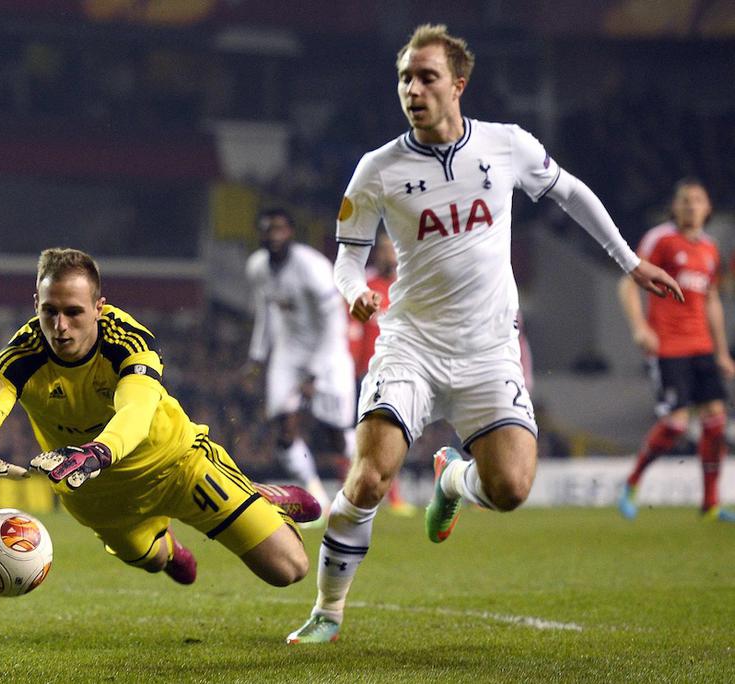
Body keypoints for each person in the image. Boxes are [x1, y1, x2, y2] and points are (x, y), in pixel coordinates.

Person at [286, 23, 683, 644]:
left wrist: (629, 262)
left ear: (458, 84)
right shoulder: (378, 170)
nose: (412, 89)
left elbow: (571, 194)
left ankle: (452, 479)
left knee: (510, 489)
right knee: (369, 477)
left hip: (488, 352)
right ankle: (328, 612)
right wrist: (354, 289)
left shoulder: (505, 146)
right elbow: (345, 255)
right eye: (404, 79)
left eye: (426, 77)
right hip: (411, 345)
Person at [0, 247, 321, 589]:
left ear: (98, 307)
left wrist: (98, 452)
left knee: (289, 569)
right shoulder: (19, 357)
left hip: (177, 466)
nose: (60, 326)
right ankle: (171, 547)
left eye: (74, 312)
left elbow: (136, 411)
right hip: (97, 496)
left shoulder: (128, 341)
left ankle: (259, 497)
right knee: (155, 560)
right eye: (50, 311)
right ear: (37, 305)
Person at [616, 179, 735, 522]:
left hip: (702, 347)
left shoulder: (710, 249)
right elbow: (628, 282)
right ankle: (632, 483)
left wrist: (722, 352)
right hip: (669, 346)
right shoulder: (660, 239)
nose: (691, 206)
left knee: (716, 422)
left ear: (708, 208)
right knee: (677, 425)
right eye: (684, 200)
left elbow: (711, 300)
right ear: (674, 207)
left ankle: (710, 503)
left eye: (697, 200)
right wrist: (640, 327)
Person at [245, 208, 356, 517]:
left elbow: (334, 322)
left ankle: (366, 482)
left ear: (291, 232)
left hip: (329, 351)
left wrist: (316, 373)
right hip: (289, 352)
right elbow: (265, 313)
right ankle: (316, 497)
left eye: (279, 228)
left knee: (338, 434)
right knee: (285, 426)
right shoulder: (257, 267)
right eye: (267, 229)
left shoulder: (313, 267)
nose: (273, 235)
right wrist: (257, 357)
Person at [347, 232, 415, 515]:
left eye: (394, 248)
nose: (390, 255)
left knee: (393, 435)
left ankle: (390, 494)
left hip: (401, 371)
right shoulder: (366, 287)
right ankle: (378, 494)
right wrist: (352, 367)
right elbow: (353, 330)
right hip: (368, 374)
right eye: (385, 249)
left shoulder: (409, 287)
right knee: (364, 437)